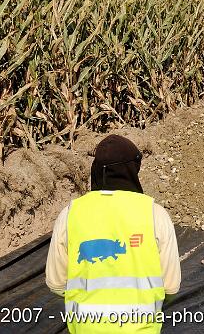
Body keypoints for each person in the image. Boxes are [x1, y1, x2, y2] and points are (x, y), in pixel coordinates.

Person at [46, 134, 181, 332]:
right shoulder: (155, 214)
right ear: (132, 171)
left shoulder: (70, 214)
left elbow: (55, 283)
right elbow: (171, 287)